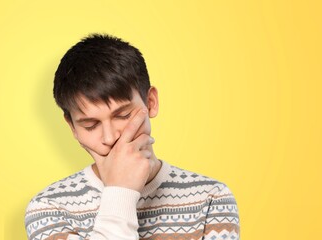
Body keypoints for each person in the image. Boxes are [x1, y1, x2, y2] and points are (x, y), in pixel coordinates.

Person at [24, 33, 240, 240]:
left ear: (151, 102)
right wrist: (121, 192)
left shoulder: (211, 198)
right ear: (72, 126)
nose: (110, 137)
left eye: (123, 115)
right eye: (90, 125)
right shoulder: (49, 208)